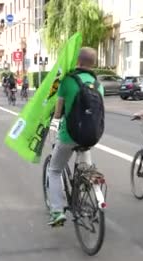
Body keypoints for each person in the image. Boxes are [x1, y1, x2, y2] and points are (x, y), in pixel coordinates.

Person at [47, 47, 104, 226]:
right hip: (91, 135)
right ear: (93, 63)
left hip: (69, 135)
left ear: (77, 61)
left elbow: (57, 113)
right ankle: (92, 195)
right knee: (87, 171)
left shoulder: (68, 82)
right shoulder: (97, 84)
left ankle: (57, 211)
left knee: (54, 170)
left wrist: (53, 117)